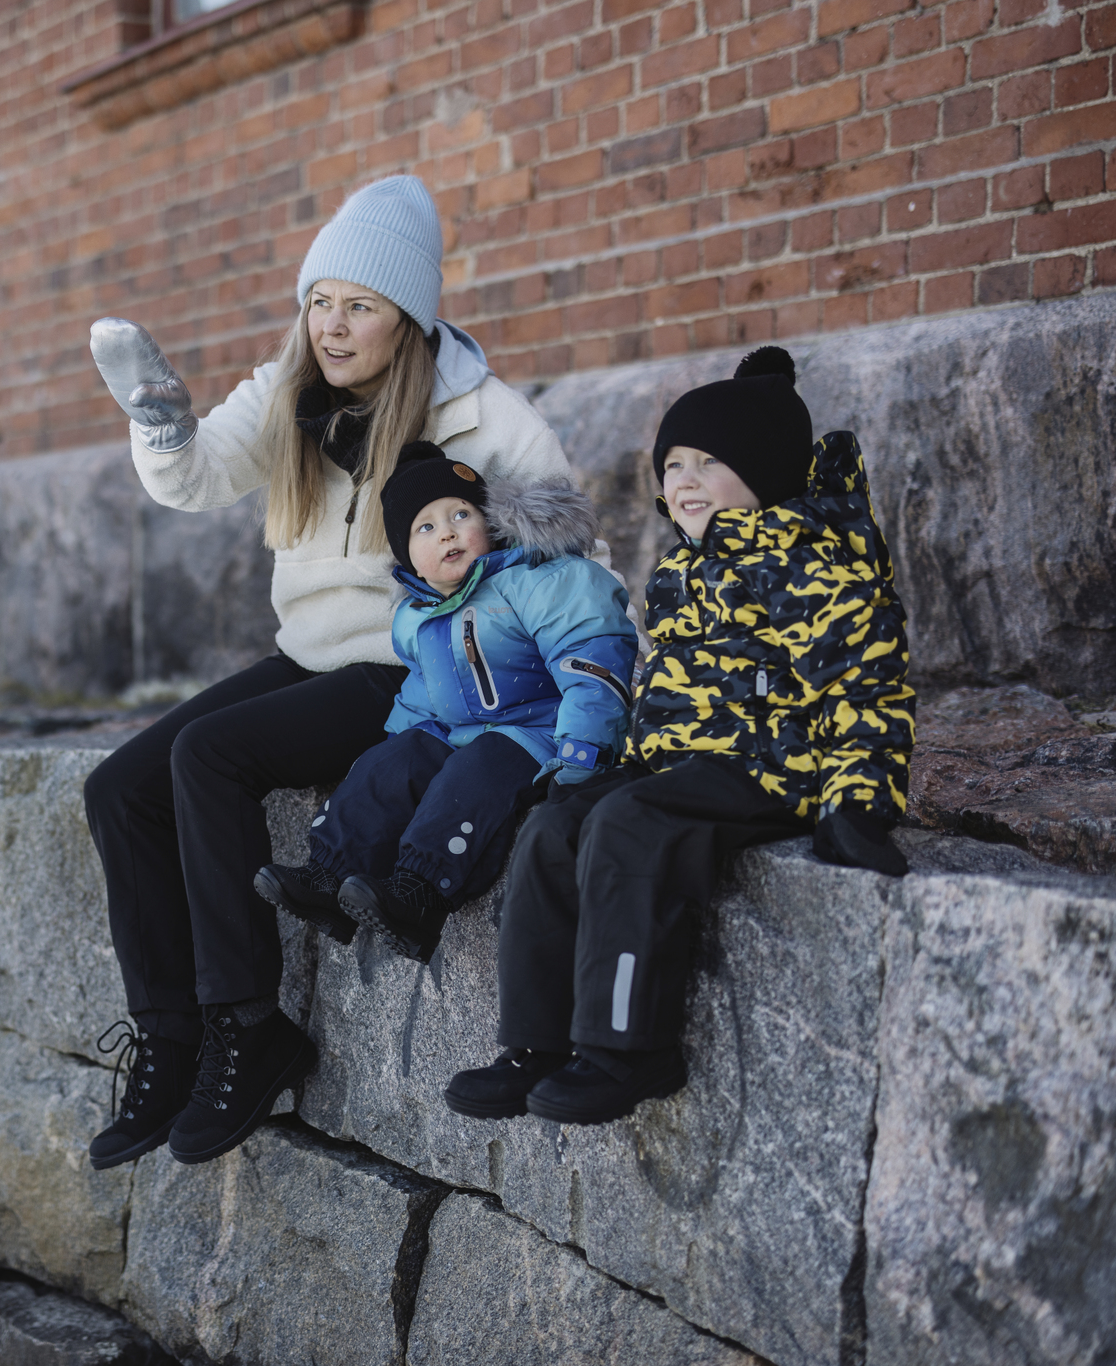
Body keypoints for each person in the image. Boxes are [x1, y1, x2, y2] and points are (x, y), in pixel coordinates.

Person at [82, 174, 602, 1171]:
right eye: (319, 300)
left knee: (210, 754)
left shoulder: (477, 412)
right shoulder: (288, 387)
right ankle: (170, 1035)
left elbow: (570, 554)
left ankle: (248, 1024)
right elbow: (191, 476)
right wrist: (157, 418)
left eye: (356, 306)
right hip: (310, 655)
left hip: (409, 675)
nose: (330, 323)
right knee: (118, 789)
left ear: (403, 316)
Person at [443, 345, 914, 1128]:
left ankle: (629, 1047)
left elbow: (865, 685)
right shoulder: (685, 570)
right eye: (674, 465)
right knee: (556, 822)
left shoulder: (811, 565)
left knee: (635, 825)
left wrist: (858, 805)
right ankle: (535, 1045)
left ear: (764, 471)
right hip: (684, 762)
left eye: (708, 463)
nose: (684, 480)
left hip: (776, 765)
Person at [255, 443, 636, 962]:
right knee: (394, 761)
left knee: (478, 768)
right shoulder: (418, 617)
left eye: (461, 514)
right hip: (463, 734)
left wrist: (583, 756)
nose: (448, 532)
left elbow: (591, 663)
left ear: (492, 522)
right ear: (407, 554)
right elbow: (422, 695)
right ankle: (330, 875)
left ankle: (419, 891)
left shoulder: (540, 580)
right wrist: (396, 760)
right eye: (425, 527)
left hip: (541, 735)